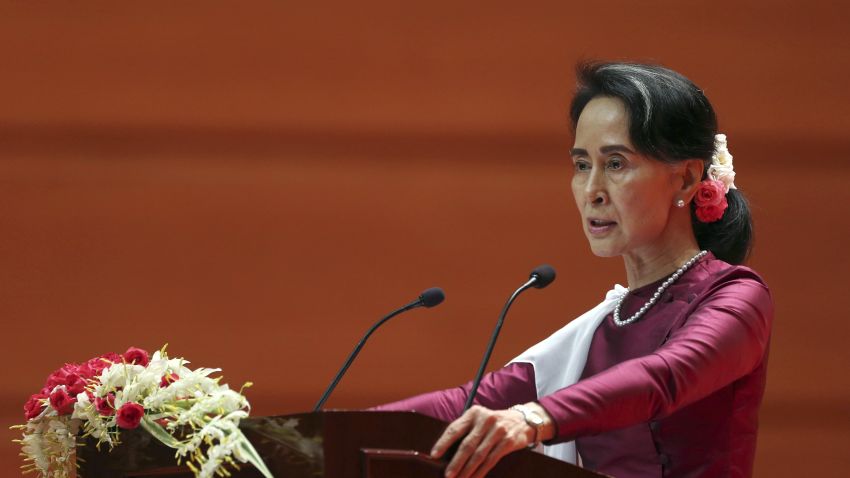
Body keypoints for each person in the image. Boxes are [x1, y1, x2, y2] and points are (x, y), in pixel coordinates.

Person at [372, 61, 774, 478]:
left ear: (688, 178)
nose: (592, 191)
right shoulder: (601, 328)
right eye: (582, 165)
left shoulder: (736, 297)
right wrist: (318, 431)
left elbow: (664, 377)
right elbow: (467, 402)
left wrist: (533, 419)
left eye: (615, 163)